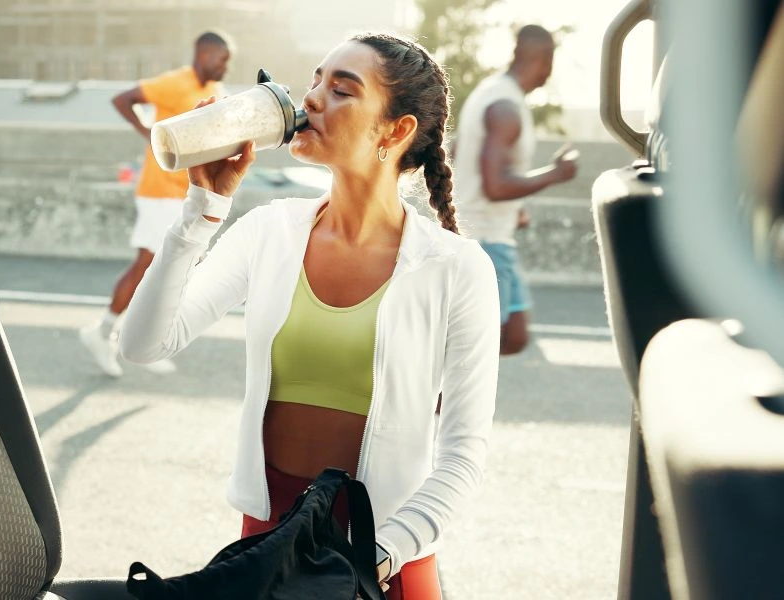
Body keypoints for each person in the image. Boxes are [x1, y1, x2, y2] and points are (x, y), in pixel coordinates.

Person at [119, 32, 500, 599]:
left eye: (342, 90)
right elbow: (143, 344)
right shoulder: (268, 231)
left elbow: (463, 455)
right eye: (315, 81)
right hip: (268, 549)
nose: (314, 99)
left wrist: (375, 557)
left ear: (396, 132)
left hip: (384, 562)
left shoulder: (455, 267)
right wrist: (202, 211)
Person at [78, 31, 233, 377]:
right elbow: (123, 99)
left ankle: (144, 338)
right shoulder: (175, 82)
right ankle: (103, 333)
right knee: (148, 265)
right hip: (158, 190)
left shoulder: (214, 92)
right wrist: (149, 134)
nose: (226, 66)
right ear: (204, 54)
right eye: (222, 59)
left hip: (184, 193)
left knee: (175, 269)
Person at [452, 24, 578, 355]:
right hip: (485, 239)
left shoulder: (490, 92)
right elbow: (495, 186)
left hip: (493, 232)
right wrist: (555, 173)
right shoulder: (505, 107)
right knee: (475, 350)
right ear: (545, 61)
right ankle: (433, 403)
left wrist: (515, 205)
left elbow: (458, 155)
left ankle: (442, 398)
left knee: (514, 336)